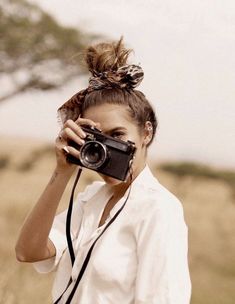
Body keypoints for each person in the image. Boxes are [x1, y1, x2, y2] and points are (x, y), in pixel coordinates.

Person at [15, 37, 191, 304]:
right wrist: (61, 172)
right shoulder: (92, 198)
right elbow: (28, 252)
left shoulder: (159, 209)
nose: (106, 149)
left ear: (146, 132)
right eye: (95, 137)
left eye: (117, 134)